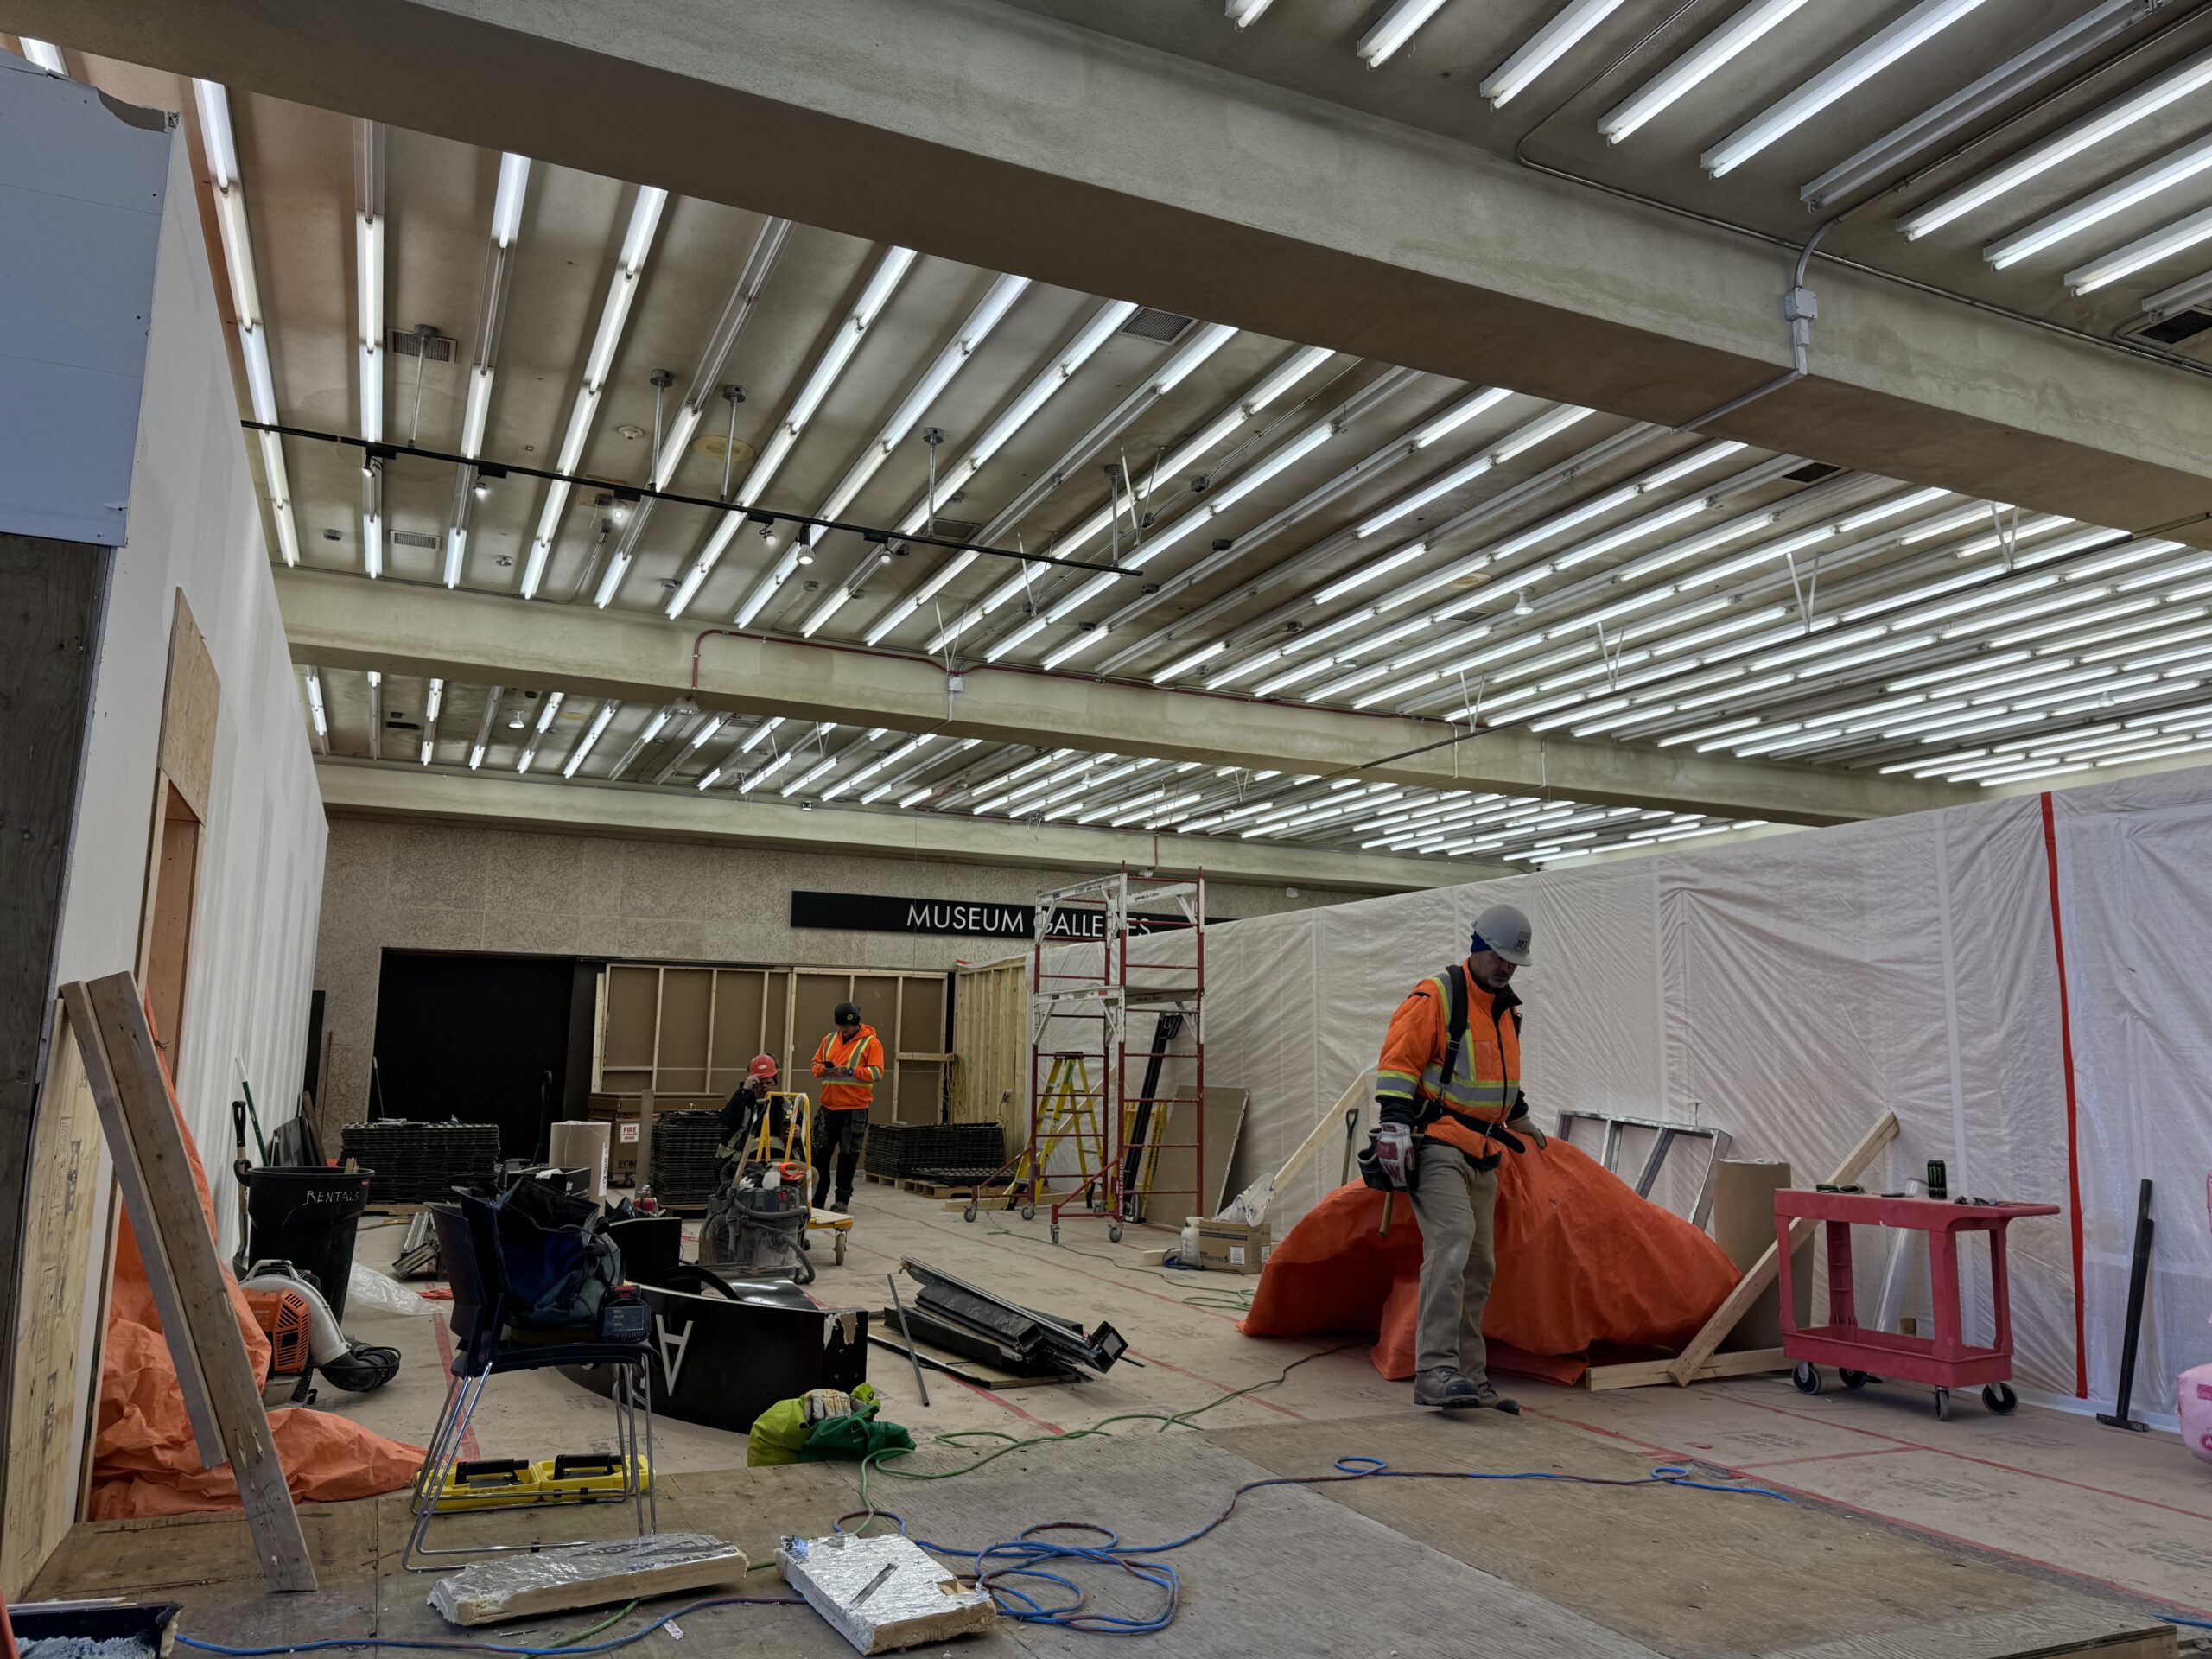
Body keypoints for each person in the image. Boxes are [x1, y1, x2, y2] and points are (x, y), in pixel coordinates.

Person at [1362, 901, 1548, 1414]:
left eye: (1514, 960)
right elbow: (1398, 1064)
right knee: (1453, 1241)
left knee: (1481, 1264)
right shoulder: (1438, 995)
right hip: (1438, 1140)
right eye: (1500, 956)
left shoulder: (1506, 1008)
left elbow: (1499, 1075)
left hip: (1486, 1149)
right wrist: (1396, 1128)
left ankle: (1470, 1377)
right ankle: (1435, 1370)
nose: (1506, 966)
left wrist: (1521, 1116)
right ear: (1478, 946)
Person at [810, 1001, 884, 1211]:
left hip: (854, 1108)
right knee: (819, 1154)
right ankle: (818, 1196)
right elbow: (814, 1065)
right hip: (828, 1107)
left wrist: (850, 1071)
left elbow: (877, 1073)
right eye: (840, 1026)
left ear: (856, 1024)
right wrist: (824, 1069)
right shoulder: (829, 1040)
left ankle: (842, 1199)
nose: (843, 1030)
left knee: (848, 1155)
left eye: (846, 1027)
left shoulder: (871, 1043)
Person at [715, 1052, 784, 1166]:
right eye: (760, 1084)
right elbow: (727, 1119)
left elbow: (798, 1137)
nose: (765, 1088)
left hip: (778, 1159)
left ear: (775, 1083)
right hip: (743, 1159)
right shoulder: (743, 1101)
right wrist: (744, 1090)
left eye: (769, 1083)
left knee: (812, 1174)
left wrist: (797, 1133)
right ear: (753, 1083)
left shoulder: (784, 1104)